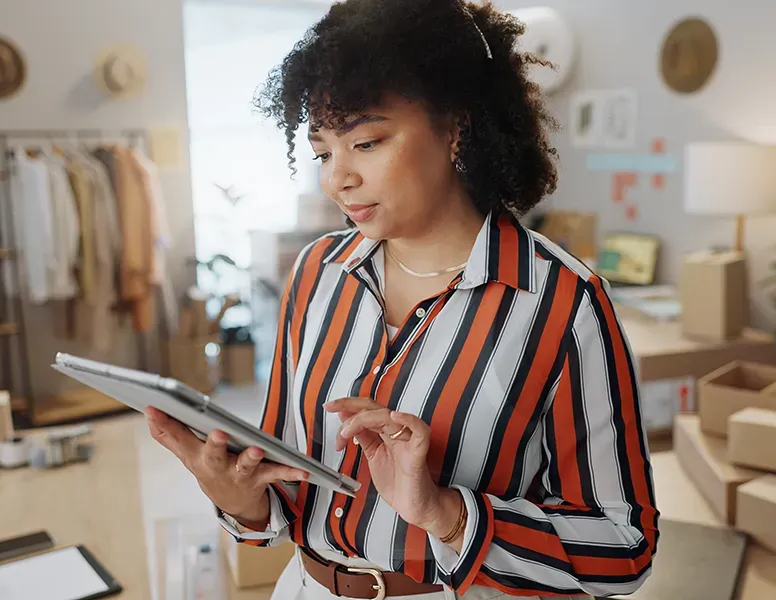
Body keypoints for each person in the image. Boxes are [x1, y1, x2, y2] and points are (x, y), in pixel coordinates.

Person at [146, 0, 659, 598]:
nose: (336, 178)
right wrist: (239, 498)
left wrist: (447, 513)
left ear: (455, 127)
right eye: (323, 152)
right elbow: (284, 481)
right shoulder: (317, 273)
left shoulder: (562, 303)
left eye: (366, 143)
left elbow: (625, 548)